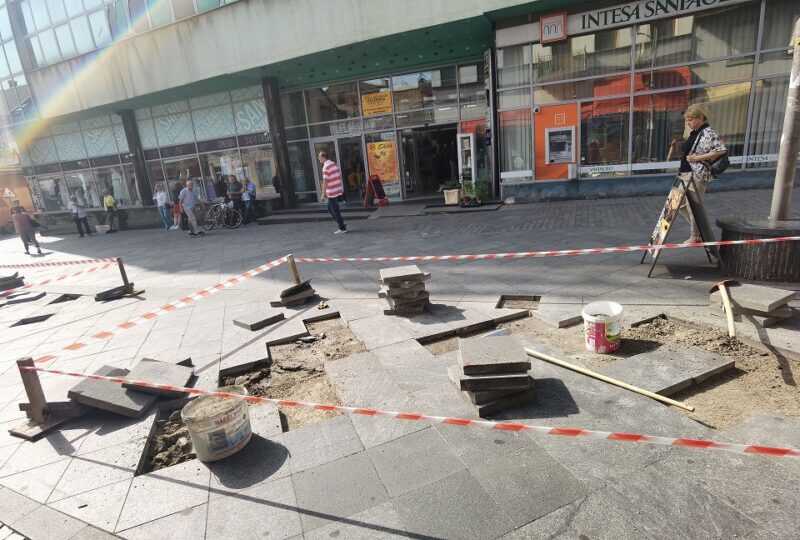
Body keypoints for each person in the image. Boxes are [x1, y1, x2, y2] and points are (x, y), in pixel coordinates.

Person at [678, 105, 727, 243]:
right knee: (679, 204)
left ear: (700, 118)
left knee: (693, 206)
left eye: (690, 119)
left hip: (697, 175)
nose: (688, 123)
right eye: (687, 120)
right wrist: (689, 128)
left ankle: (695, 236)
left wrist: (697, 158)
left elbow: (721, 150)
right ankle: (701, 230)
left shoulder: (708, 132)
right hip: (686, 174)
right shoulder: (694, 132)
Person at [318, 151, 347, 234]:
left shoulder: (325, 167)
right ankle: (341, 224)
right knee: (331, 209)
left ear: (323, 157)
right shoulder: (333, 164)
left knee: (334, 210)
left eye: (319, 157)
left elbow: (325, 181)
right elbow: (338, 176)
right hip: (337, 189)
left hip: (331, 192)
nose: (319, 159)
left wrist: (323, 194)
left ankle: (342, 227)